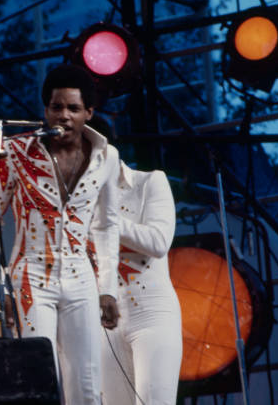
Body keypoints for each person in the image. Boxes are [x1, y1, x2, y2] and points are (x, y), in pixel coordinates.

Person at [0, 64, 120, 405]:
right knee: (39, 377)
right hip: (30, 275)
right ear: (45, 111)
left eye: (73, 108)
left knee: (86, 383)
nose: (64, 116)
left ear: (89, 112)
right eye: (56, 107)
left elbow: (106, 225)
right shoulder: (14, 152)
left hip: (80, 276)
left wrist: (108, 289)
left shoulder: (106, 156)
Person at [100, 160, 182, 405]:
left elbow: (157, 242)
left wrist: (105, 218)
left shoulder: (149, 181)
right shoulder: (74, 196)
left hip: (151, 311)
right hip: (104, 319)